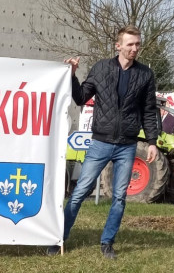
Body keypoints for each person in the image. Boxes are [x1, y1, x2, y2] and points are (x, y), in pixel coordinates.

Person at [48, 24, 159, 259]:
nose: (135, 48)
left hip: (128, 145)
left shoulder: (145, 75)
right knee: (79, 192)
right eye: (130, 44)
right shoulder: (101, 68)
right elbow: (80, 98)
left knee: (119, 197)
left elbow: (149, 111)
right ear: (118, 46)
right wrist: (72, 75)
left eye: (138, 44)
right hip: (100, 143)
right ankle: (59, 239)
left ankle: (107, 243)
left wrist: (152, 141)